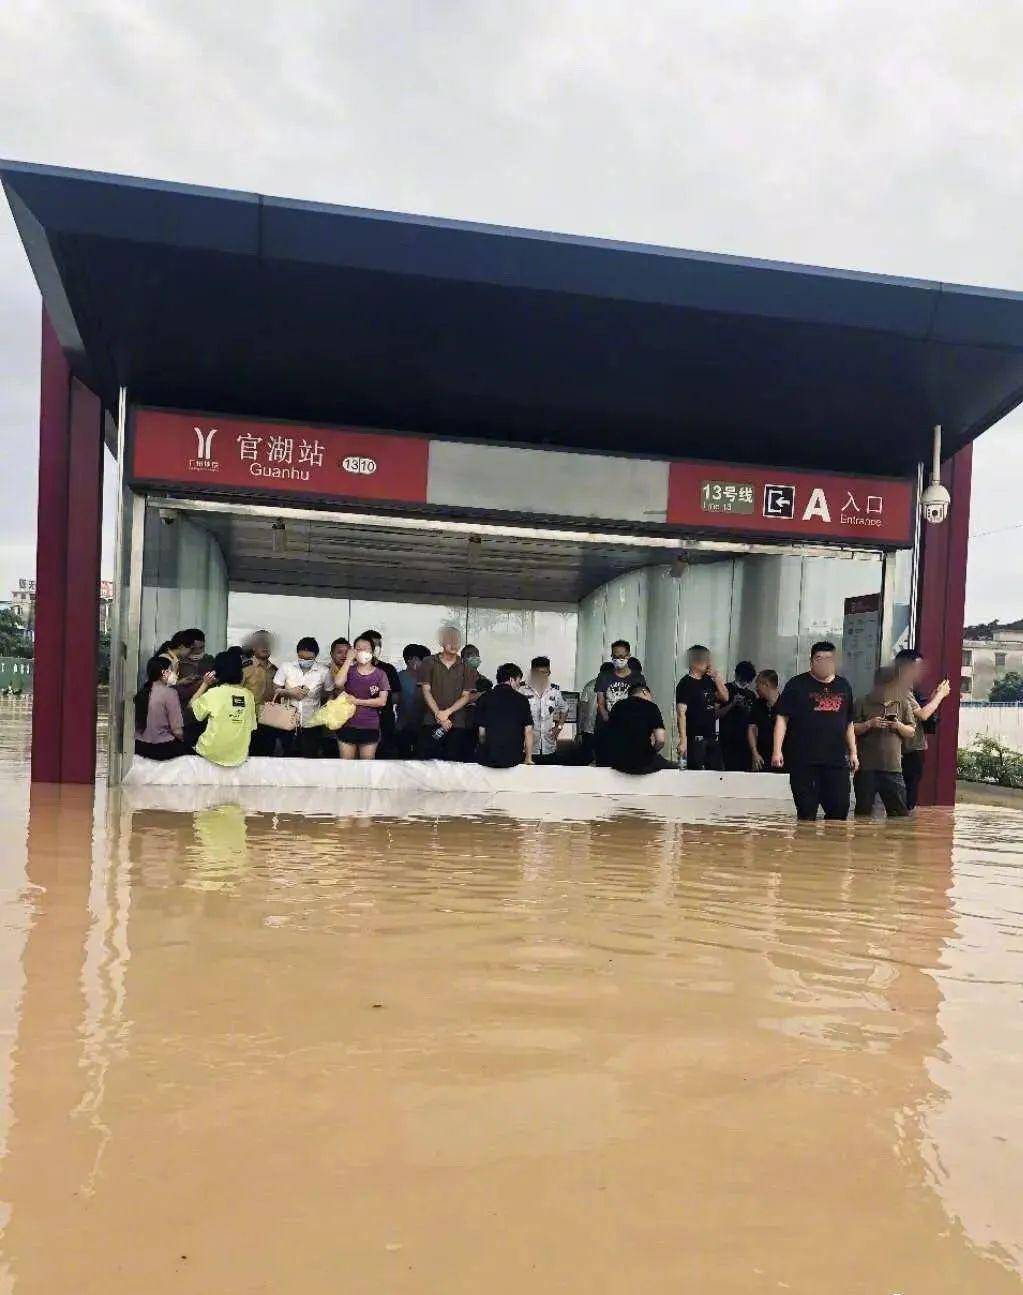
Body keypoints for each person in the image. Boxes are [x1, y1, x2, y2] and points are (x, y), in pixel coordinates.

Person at [773, 641, 858, 821]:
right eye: (819, 658)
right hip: (804, 760)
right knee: (806, 813)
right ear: (811, 661)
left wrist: (853, 753)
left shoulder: (844, 686)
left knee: (839, 810)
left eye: (829, 659)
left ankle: (830, 849)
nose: (824, 663)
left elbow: (849, 722)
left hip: (835, 761)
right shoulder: (796, 685)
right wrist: (777, 750)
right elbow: (782, 718)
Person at [852, 666, 916, 817]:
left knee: (899, 815)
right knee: (863, 814)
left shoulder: (903, 703)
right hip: (866, 768)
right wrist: (869, 724)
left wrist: (898, 725)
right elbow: (850, 728)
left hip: (893, 768)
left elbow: (911, 731)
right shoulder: (862, 702)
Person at [895, 649, 952, 811]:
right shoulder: (901, 690)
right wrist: (940, 696)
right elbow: (924, 714)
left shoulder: (907, 690)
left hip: (911, 749)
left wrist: (934, 695)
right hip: (907, 751)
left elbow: (919, 712)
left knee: (907, 797)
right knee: (906, 800)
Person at [418, 625, 479, 760]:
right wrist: (438, 714)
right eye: (450, 639)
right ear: (441, 641)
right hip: (431, 722)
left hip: (457, 724)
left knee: (454, 765)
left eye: (457, 640)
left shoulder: (466, 666)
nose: (454, 643)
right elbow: (426, 690)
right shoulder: (429, 662)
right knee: (429, 763)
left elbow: (466, 696)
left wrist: (447, 712)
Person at [189, 650, 257, 767]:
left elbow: (191, 706)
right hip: (239, 756)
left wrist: (205, 684)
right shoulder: (248, 696)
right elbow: (251, 727)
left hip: (210, 753)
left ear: (217, 672)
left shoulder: (214, 693)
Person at [331, 636, 390, 760]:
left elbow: (382, 701)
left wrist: (356, 701)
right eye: (358, 649)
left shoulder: (380, 674)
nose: (361, 652)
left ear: (372, 652)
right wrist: (348, 660)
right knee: (347, 766)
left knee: (367, 766)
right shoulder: (348, 670)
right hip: (347, 725)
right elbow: (338, 683)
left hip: (370, 726)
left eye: (365, 649)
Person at [273, 637, 334, 757]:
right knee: (287, 756)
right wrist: (290, 692)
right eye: (301, 658)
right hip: (287, 721)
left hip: (312, 722)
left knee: (310, 756)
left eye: (309, 658)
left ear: (316, 656)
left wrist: (326, 709)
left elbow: (329, 692)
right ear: (297, 654)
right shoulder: (286, 667)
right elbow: (276, 689)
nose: (305, 661)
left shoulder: (323, 671)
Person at [675, 645, 729, 770]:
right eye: (706, 660)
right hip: (695, 738)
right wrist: (683, 741)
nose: (709, 663)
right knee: (696, 773)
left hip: (711, 736)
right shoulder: (685, 684)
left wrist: (717, 677)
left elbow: (725, 697)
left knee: (717, 772)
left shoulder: (708, 681)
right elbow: (681, 713)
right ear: (694, 662)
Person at [605, 679, 674, 774]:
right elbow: (661, 740)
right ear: (645, 692)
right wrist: (651, 752)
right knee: (675, 766)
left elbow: (609, 734)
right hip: (643, 762)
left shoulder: (617, 706)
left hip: (618, 762)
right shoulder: (651, 707)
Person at [476, 663, 535, 768]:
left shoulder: (484, 697)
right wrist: (528, 758)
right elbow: (528, 731)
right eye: (518, 681)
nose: (518, 685)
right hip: (513, 759)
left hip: (487, 758)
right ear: (512, 679)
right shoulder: (522, 700)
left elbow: (481, 733)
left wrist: (486, 750)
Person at [134, 655, 192, 760]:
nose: (174, 673)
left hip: (139, 745)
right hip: (162, 748)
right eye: (171, 670)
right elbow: (177, 731)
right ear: (163, 673)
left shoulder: (141, 693)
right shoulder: (170, 693)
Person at [520, 656, 570, 763]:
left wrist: (559, 727)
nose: (543, 676)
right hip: (528, 748)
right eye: (539, 673)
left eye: (546, 672)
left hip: (549, 746)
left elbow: (565, 709)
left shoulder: (554, 691)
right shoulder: (522, 691)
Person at [360, 630, 402, 756]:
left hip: (384, 721)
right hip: (361, 721)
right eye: (373, 645)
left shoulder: (388, 669)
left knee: (384, 756)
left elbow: (396, 696)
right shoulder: (354, 668)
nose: (376, 649)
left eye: (378, 646)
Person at [241, 630, 278, 756]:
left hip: (270, 721)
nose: (265, 646)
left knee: (267, 758)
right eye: (261, 643)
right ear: (253, 646)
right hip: (248, 721)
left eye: (268, 643)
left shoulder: (276, 670)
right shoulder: (244, 668)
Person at [718, 660, 757, 771]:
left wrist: (745, 707)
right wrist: (732, 703)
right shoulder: (725, 690)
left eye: (747, 681)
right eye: (742, 679)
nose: (744, 683)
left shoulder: (751, 695)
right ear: (736, 675)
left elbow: (753, 719)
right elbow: (716, 714)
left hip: (745, 743)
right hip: (727, 742)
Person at [396, 643, 430, 756]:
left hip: (424, 728)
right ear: (412, 660)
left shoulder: (428, 679)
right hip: (403, 728)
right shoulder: (399, 678)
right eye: (424, 661)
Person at [747, 669, 781, 772]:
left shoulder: (785, 705)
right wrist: (755, 753)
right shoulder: (757, 704)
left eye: (758, 685)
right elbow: (751, 728)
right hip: (761, 757)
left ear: (766, 685)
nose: (756, 688)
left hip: (781, 757)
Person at [172, 628, 215, 709]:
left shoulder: (209, 660)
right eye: (194, 648)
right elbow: (170, 686)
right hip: (182, 706)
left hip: (204, 706)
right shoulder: (177, 662)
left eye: (202, 647)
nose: (198, 651)